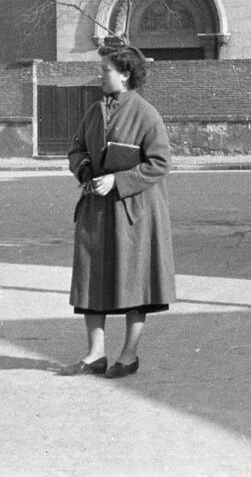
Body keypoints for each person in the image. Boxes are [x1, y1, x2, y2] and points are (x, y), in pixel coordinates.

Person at [60, 45, 175, 378]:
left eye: (105, 69)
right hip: (96, 209)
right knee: (91, 279)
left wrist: (118, 179)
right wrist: (84, 171)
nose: (100, 74)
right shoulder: (95, 111)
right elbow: (77, 148)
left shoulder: (146, 114)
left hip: (133, 213)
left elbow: (160, 163)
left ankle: (128, 355)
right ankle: (95, 354)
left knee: (133, 281)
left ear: (125, 74)